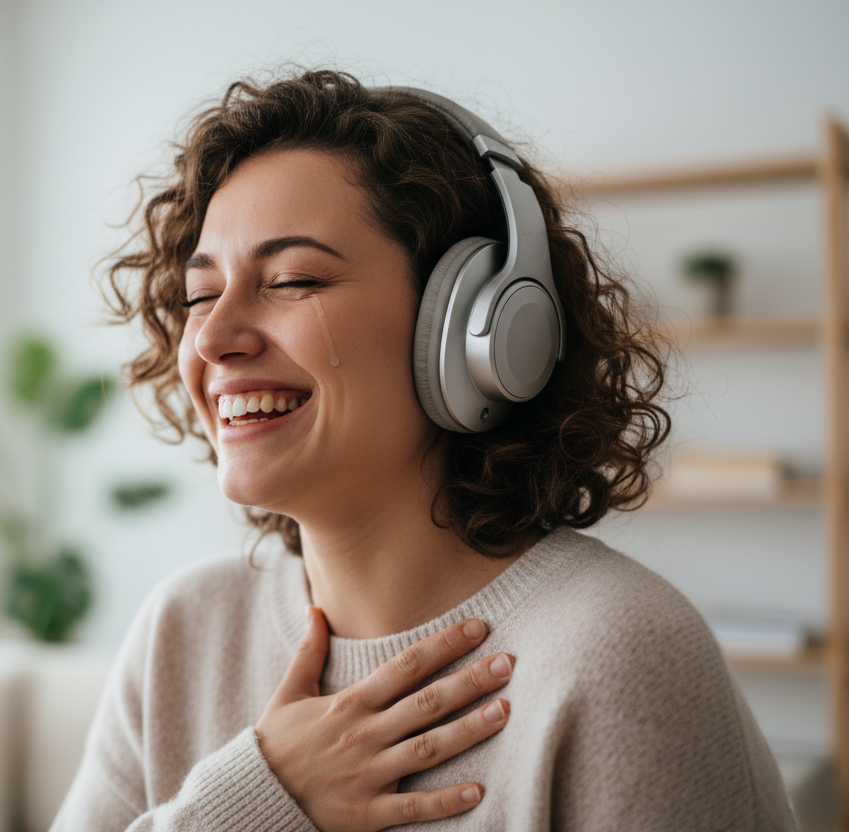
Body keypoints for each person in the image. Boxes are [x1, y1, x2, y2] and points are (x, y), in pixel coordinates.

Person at [50, 70, 796, 831]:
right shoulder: (183, 631)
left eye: (293, 278)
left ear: (478, 331)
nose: (211, 337)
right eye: (200, 295)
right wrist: (254, 803)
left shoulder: (618, 657)